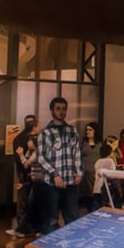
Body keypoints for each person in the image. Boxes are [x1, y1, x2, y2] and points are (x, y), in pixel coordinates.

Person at [37, 97, 83, 231]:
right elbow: (41, 157)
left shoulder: (72, 131)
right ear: (51, 111)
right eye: (58, 109)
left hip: (71, 181)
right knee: (51, 219)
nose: (61, 112)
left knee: (73, 217)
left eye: (64, 109)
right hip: (52, 183)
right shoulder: (45, 132)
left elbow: (77, 153)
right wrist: (55, 174)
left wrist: (79, 173)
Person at [11, 115, 39, 225]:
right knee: (27, 197)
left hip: (27, 172)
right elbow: (27, 163)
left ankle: (24, 223)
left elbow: (22, 162)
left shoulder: (18, 138)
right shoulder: (33, 139)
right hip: (32, 173)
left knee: (24, 197)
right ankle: (27, 223)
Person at [79, 122, 103, 213]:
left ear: (95, 131)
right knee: (87, 196)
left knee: (96, 195)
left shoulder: (100, 144)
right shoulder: (83, 143)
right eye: (87, 130)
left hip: (96, 174)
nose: (87, 132)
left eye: (90, 130)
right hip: (85, 174)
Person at [93, 144, 118, 209]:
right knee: (106, 208)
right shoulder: (110, 161)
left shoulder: (97, 162)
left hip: (96, 188)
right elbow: (113, 174)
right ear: (110, 153)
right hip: (105, 188)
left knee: (98, 208)